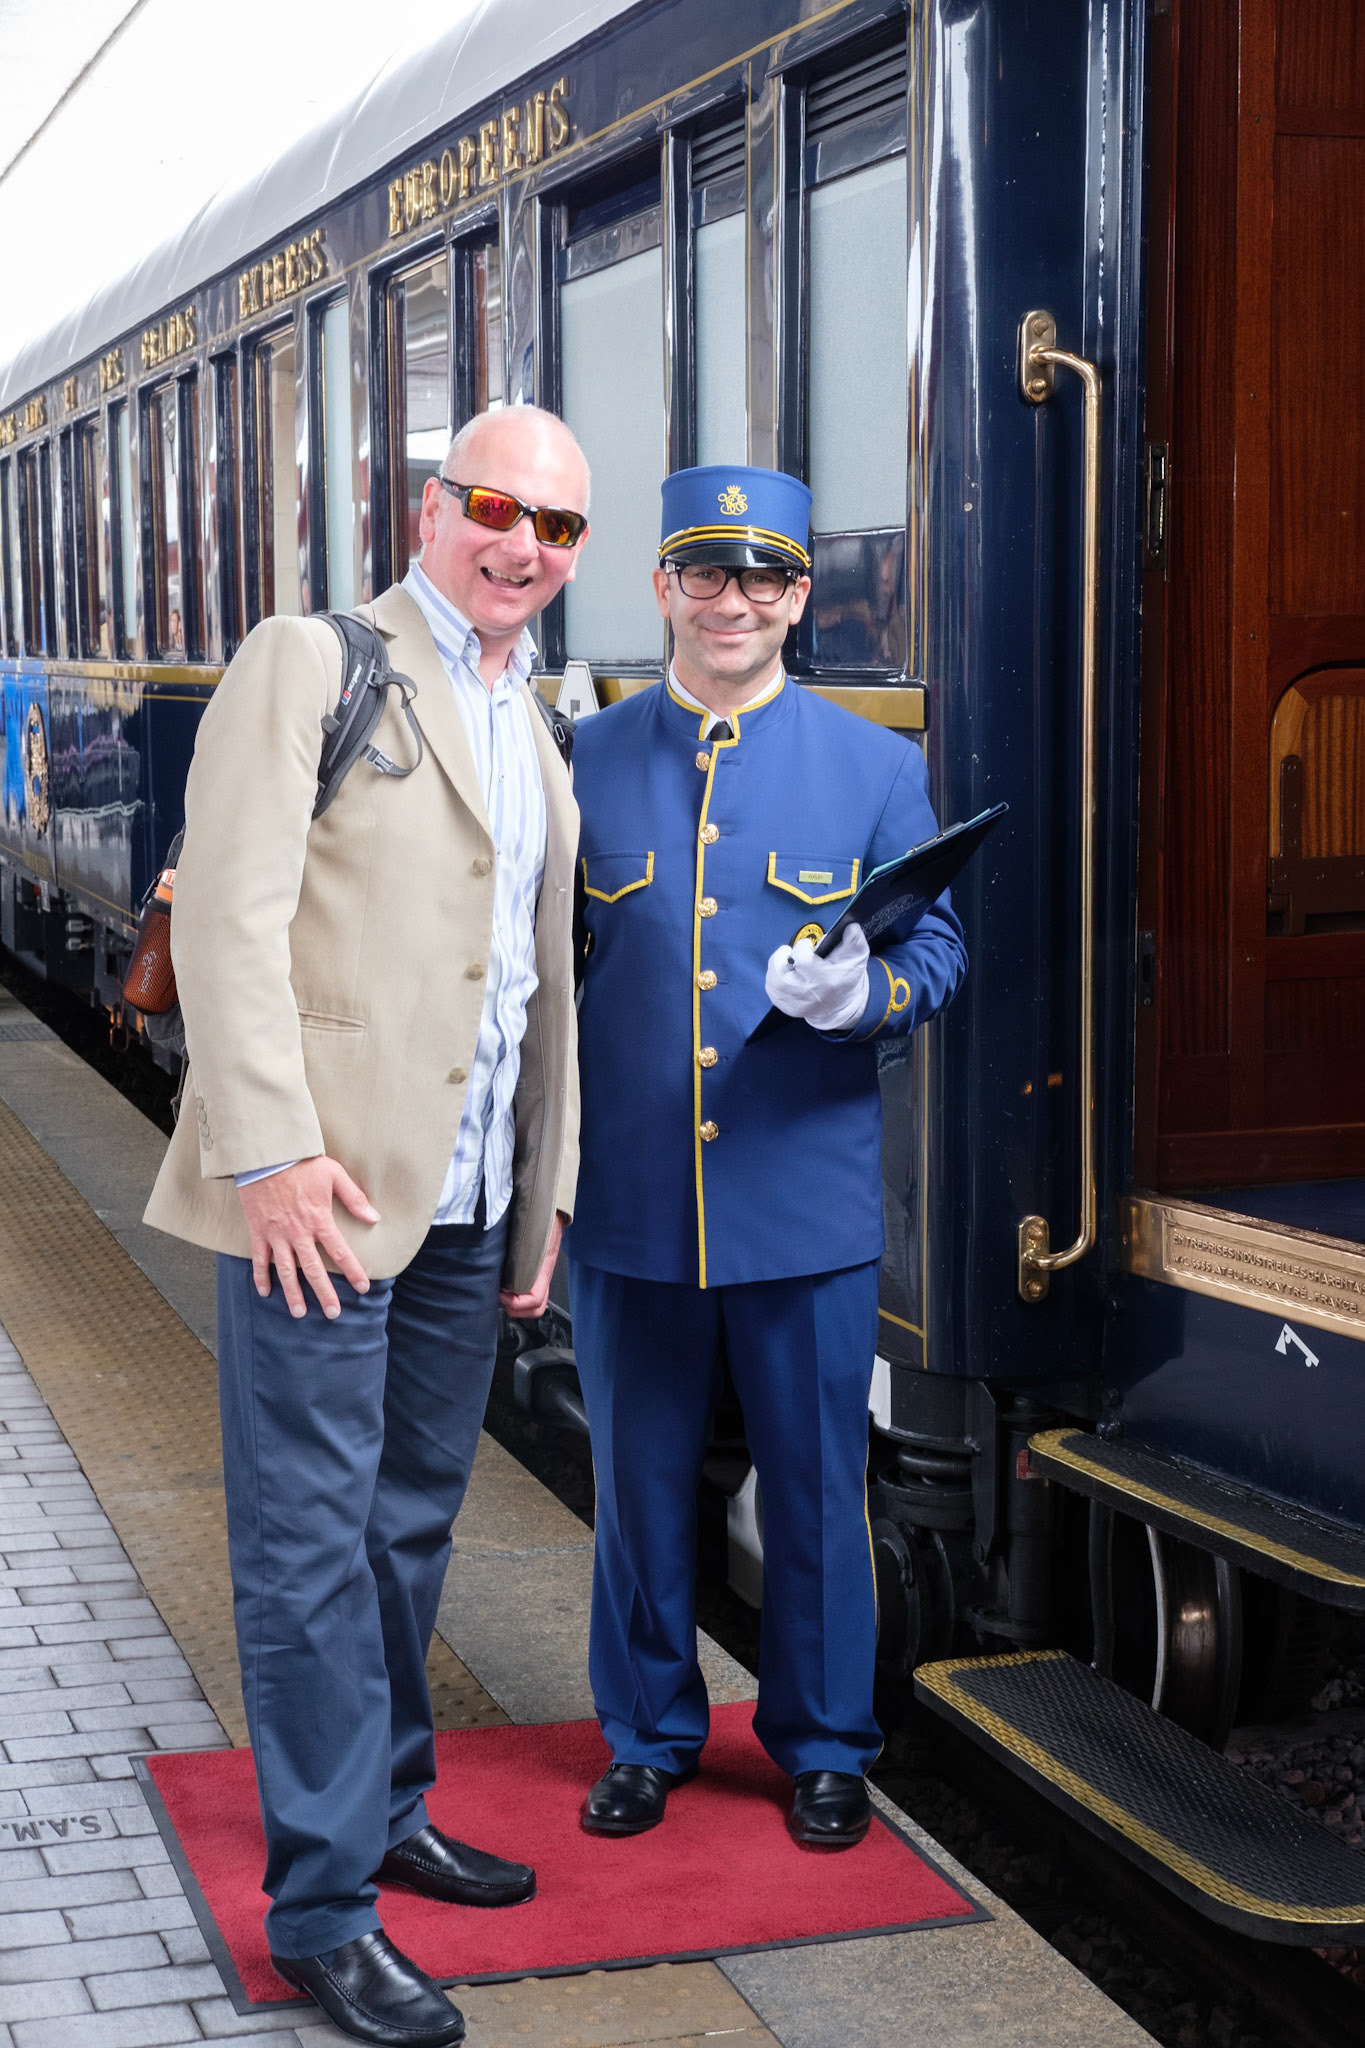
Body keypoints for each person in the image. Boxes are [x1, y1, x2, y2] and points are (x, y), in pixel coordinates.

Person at [145, 407, 590, 2048]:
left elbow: (531, 978)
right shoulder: (313, 661)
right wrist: (266, 1153)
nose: (520, 545)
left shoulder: (532, 714)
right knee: (311, 1547)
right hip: (322, 1197)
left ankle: (390, 1807)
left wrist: (543, 1183)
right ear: (428, 510)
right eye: (493, 508)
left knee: (408, 1525)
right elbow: (231, 920)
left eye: (555, 526)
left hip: (464, 1200)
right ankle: (324, 1911)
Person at [567, 464, 967, 1851]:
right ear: (662, 587)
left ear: (800, 599)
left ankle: (823, 1745)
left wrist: (870, 998)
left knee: (813, 1490)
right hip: (631, 1200)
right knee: (636, 1491)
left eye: (762, 578)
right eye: (703, 573)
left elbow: (935, 946)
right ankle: (646, 1733)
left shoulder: (874, 767)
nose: (730, 601)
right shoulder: (586, 759)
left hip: (801, 1203)